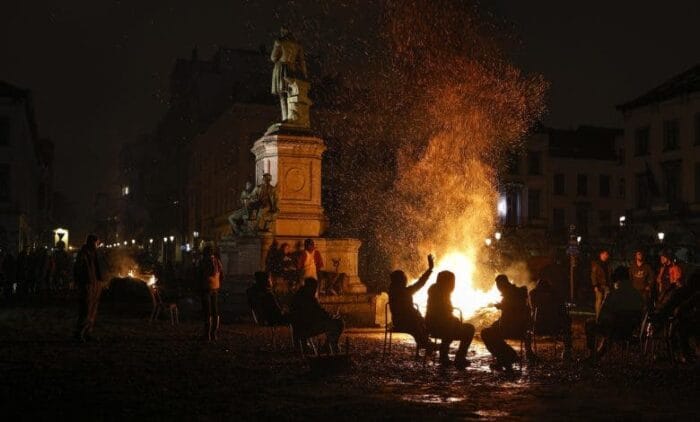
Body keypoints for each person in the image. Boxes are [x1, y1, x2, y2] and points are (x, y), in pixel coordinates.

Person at [584, 266, 644, 360]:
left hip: (613, 330)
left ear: (617, 281)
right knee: (612, 327)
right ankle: (598, 353)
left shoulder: (613, 295)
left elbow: (601, 318)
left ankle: (593, 352)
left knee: (590, 323)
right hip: (629, 330)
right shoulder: (637, 295)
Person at [481, 274, 533, 371]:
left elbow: (510, 310)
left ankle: (510, 355)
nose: (498, 288)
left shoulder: (509, 294)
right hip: (521, 328)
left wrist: (500, 306)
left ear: (502, 284)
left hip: (511, 329)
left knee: (485, 333)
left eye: (498, 285)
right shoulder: (518, 292)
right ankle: (504, 359)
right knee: (492, 330)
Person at [425, 271, 475, 369]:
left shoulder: (434, 290)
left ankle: (444, 355)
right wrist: (456, 320)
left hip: (431, 326)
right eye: (452, 281)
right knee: (469, 329)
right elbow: (445, 315)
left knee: (451, 325)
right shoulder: (442, 293)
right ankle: (459, 357)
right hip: (440, 327)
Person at [388, 254, 434, 352]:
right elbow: (420, 283)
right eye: (404, 278)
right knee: (417, 324)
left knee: (419, 323)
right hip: (405, 322)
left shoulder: (392, 291)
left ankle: (425, 343)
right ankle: (425, 343)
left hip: (399, 321)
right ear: (400, 280)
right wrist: (430, 269)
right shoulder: (404, 292)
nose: (406, 279)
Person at [290, 278, 344, 353]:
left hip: (299, 328)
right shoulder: (308, 298)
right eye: (315, 288)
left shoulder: (299, 296)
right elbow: (319, 312)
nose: (315, 291)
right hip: (306, 328)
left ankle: (328, 346)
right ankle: (328, 346)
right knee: (338, 323)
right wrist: (331, 316)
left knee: (334, 322)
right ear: (310, 287)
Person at [529, 278, 573, 360]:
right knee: (567, 319)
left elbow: (532, 309)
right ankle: (567, 350)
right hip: (554, 328)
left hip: (538, 328)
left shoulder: (533, 295)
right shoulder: (556, 296)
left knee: (526, 322)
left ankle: (528, 352)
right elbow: (562, 310)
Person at [270, 27, 307, 122]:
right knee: (291, 93)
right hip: (292, 69)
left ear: (283, 31)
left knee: (282, 94)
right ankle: (292, 116)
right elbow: (302, 61)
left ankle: (285, 117)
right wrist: (305, 74)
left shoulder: (279, 41)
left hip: (281, 68)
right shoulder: (297, 44)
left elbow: (273, 57)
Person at [73, 234, 104, 342]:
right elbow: (78, 269)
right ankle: (79, 333)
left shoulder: (93, 253)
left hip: (94, 284)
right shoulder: (83, 254)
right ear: (92, 242)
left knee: (92, 310)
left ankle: (88, 332)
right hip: (87, 285)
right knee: (85, 310)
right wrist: (79, 283)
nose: (98, 245)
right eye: (97, 243)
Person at [199, 245, 223, 342]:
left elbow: (200, 274)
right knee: (215, 310)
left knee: (207, 311)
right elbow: (222, 274)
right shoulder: (217, 261)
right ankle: (214, 333)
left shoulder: (204, 261)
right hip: (215, 287)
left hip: (206, 287)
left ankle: (207, 334)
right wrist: (218, 283)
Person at [591, 249, 612, 318]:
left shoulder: (608, 265)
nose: (606, 256)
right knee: (599, 300)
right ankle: (598, 317)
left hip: (606, 285)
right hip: (599, 285)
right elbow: (593, 275)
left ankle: (602, 316)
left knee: (605, 301)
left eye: (607, 255)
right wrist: (595, 285)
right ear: (601, 255)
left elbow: (609, 275)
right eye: (605, 254)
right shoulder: (596, 264)